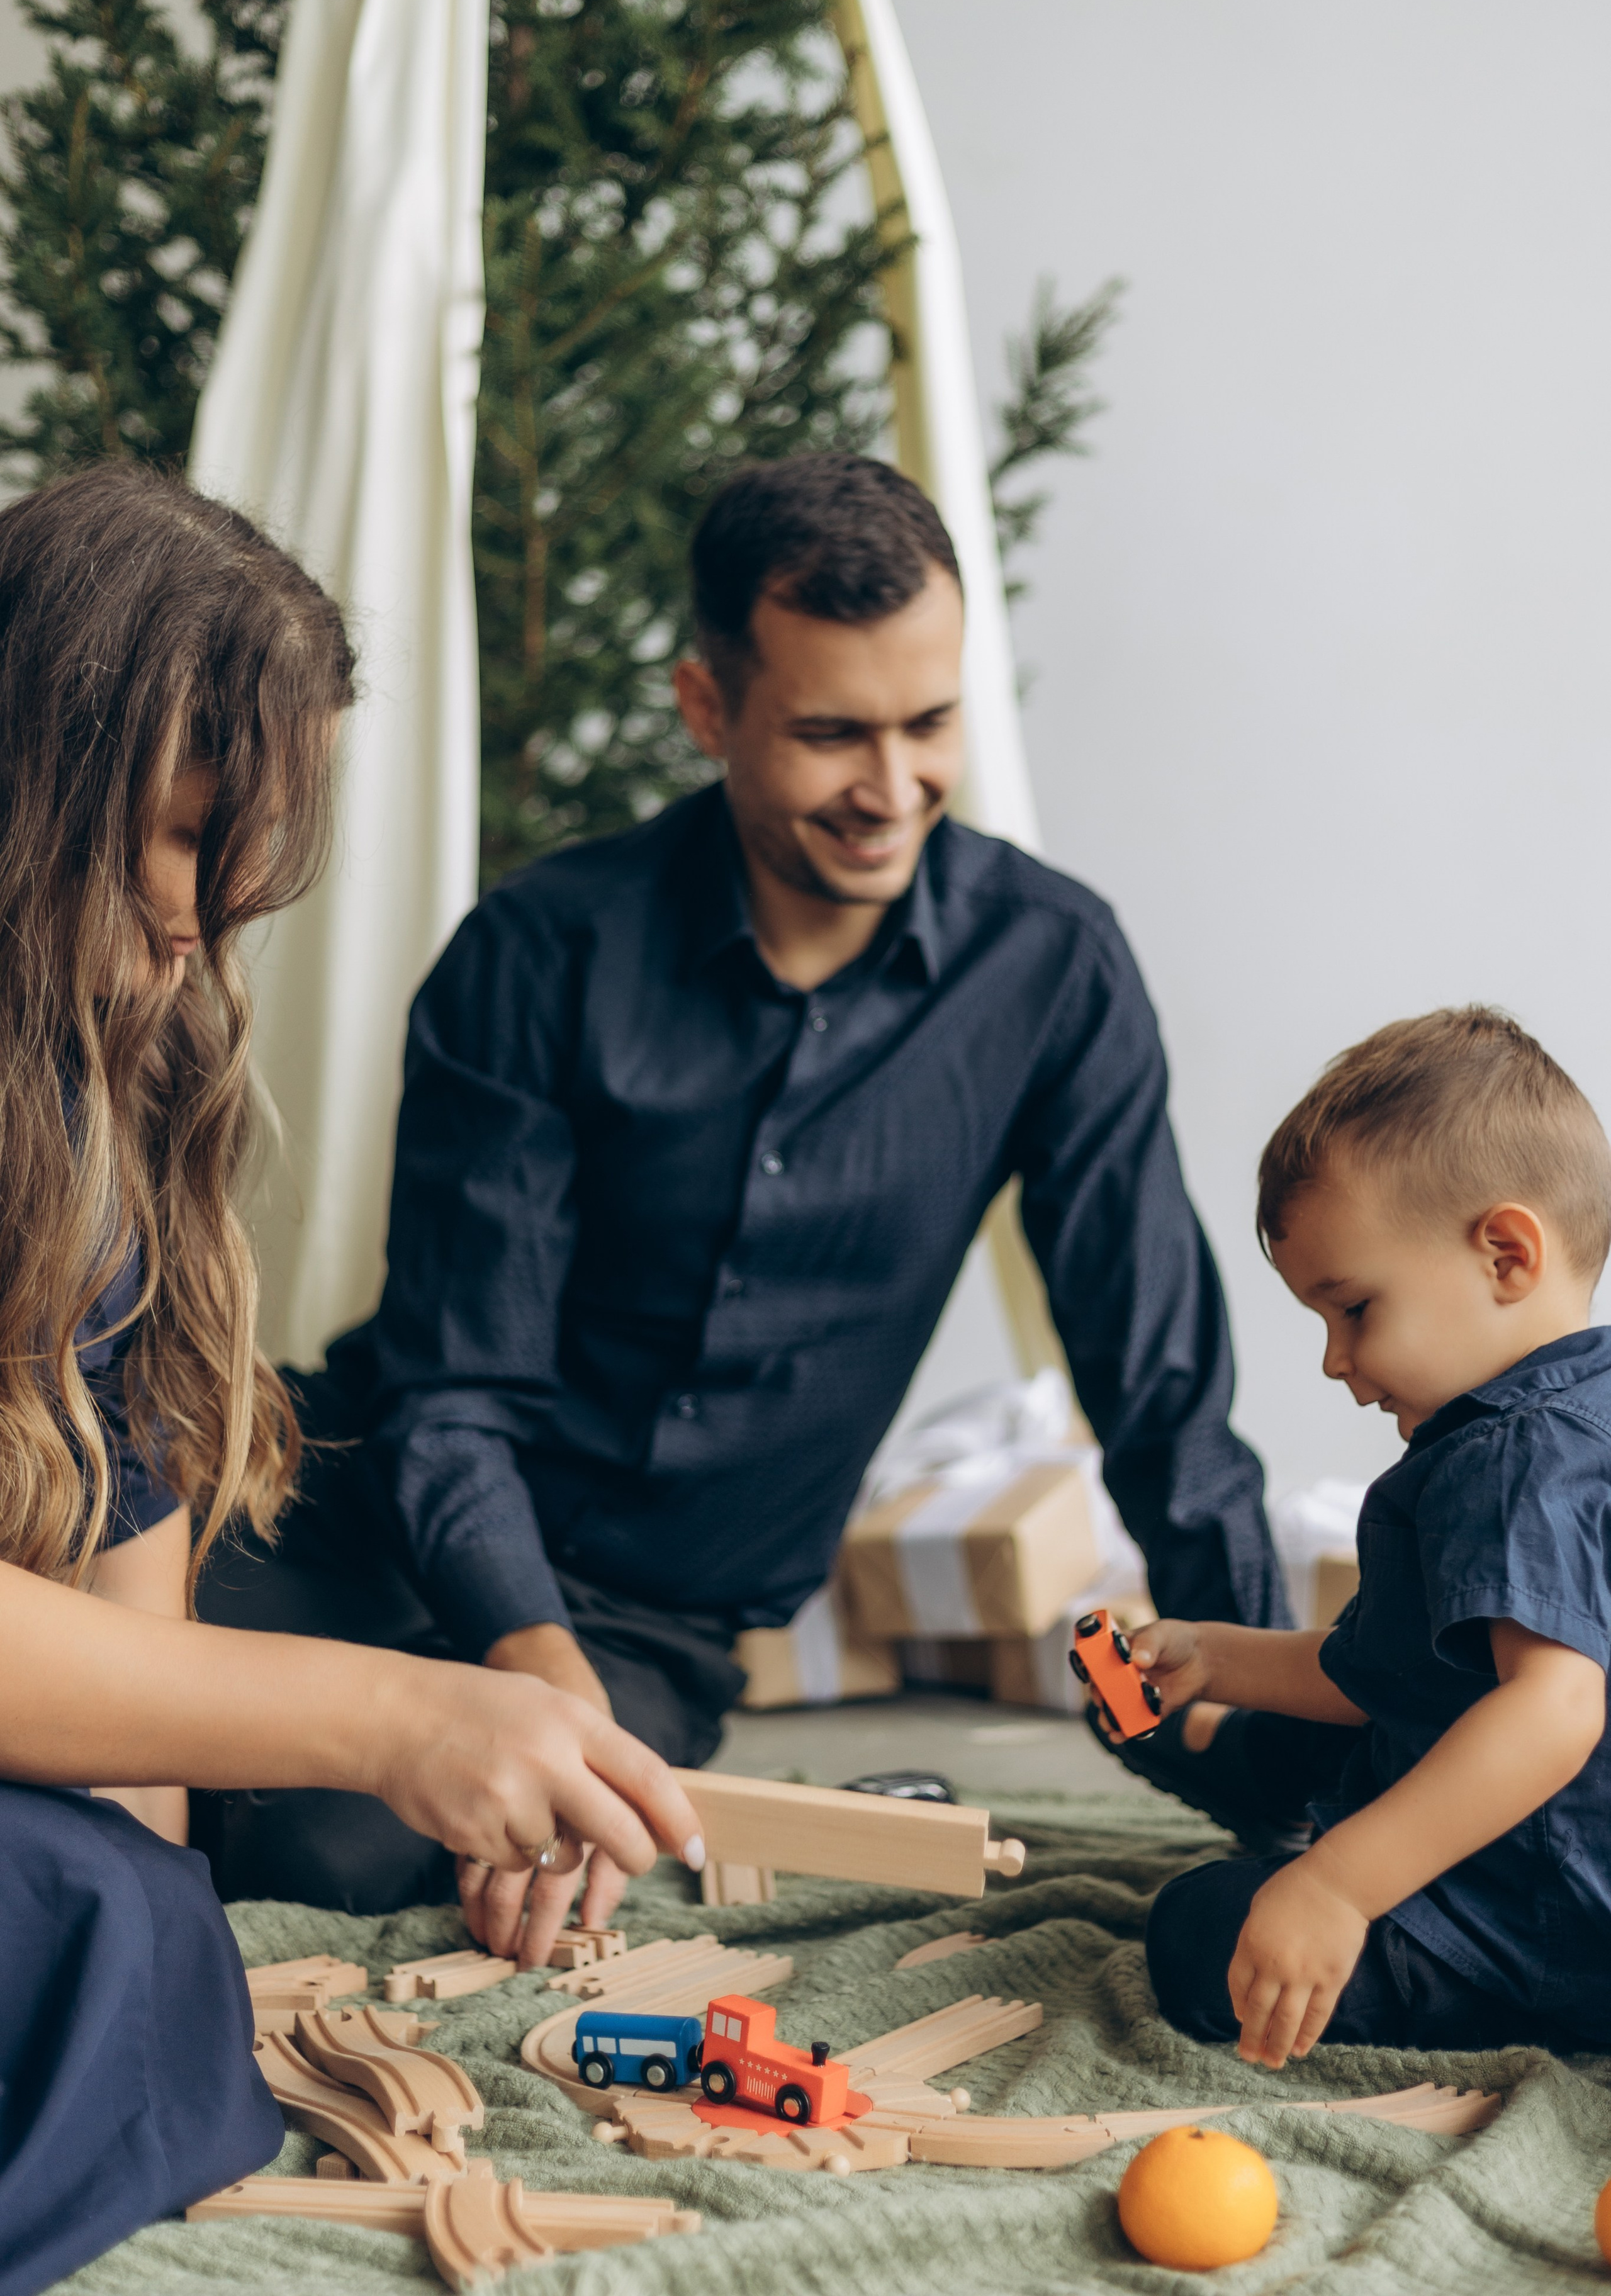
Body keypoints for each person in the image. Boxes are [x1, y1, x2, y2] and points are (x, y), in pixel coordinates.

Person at [199, 449, 1286, 1957]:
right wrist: (529, 1683)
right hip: (357, 1501)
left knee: (323, 1846)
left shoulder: (1051, 971)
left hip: (651, 1625)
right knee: (86, 1645)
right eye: (832, 733)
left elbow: (1159, 1382)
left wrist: (1269, 1716)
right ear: (706, 708)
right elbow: (452, 1397)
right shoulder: (534, 954)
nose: (891, 788)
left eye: (930, 724)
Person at [0, 466, 702, 2296]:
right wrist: (403, 1718)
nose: (205, 922)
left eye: (247, 871)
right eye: (180, 839)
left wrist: (160, 1922)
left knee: (132, 1908)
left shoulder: (100, 1115)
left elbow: (123, 1681)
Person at [1142, 1007, 1611, 2065]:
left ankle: (1291, 1816)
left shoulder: (1514, 1454)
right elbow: (1394, 1671)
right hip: (1543, 1864)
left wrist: (1339, 1884)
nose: (1333, 1358)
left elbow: (1554, 1711)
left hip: (1540, 1925)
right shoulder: (1571, 1418)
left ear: (1505, 1252)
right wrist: (1216, 1656)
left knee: (1199, 1932)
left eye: (1352, 1308)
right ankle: (1249, 1756)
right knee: (1347, 1743)